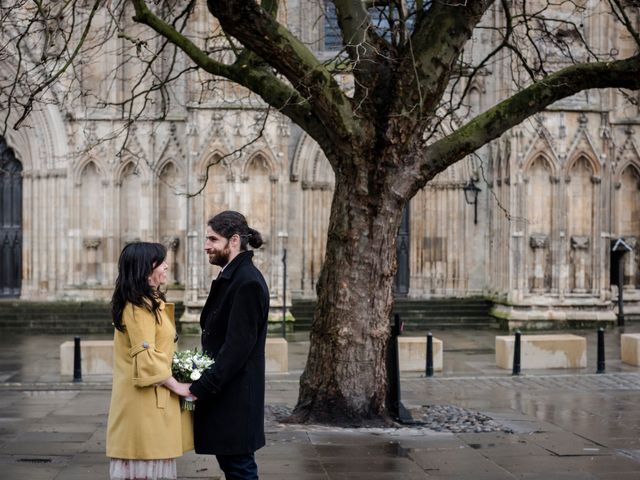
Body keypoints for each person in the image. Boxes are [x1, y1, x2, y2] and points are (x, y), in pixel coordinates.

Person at [189, 211, 270, 480]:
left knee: (240, 469)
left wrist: (200, 388)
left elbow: (236, 350)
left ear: (233, 241)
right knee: (233, 466)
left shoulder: (246, 282)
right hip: (227, 396)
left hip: (236, 399)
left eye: (213, 238)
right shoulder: (233, 276)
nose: (206, 245)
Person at [106, 242, 193, 480]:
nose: (166, 266)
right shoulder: (138, 306)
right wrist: (181, 387)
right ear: (146, 268)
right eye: (161, 262)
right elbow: (146, 356)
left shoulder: (149, 302)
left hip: (151, 405)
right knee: (146, 469)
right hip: (143, 407)